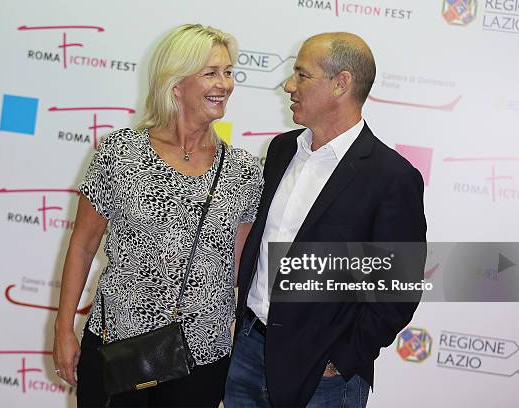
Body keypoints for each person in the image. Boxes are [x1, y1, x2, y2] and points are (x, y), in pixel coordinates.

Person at [53, 24, 263, 408]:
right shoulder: (119, 152)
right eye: (211, 72)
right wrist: (63, 327)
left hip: (202, 359)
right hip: (118, 345)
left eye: (229, 72)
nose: (226, 83)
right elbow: (83, 244)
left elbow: (240, 270)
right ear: (176, 83)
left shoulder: (244, 171)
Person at [224, 32, 427, 408]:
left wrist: (341, 360)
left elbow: (398, 289)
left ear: (341, 83)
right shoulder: (282, 149)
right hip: (248, 352)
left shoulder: (392, 178)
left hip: (322, 377)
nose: (288, 85)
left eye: (302, 75)